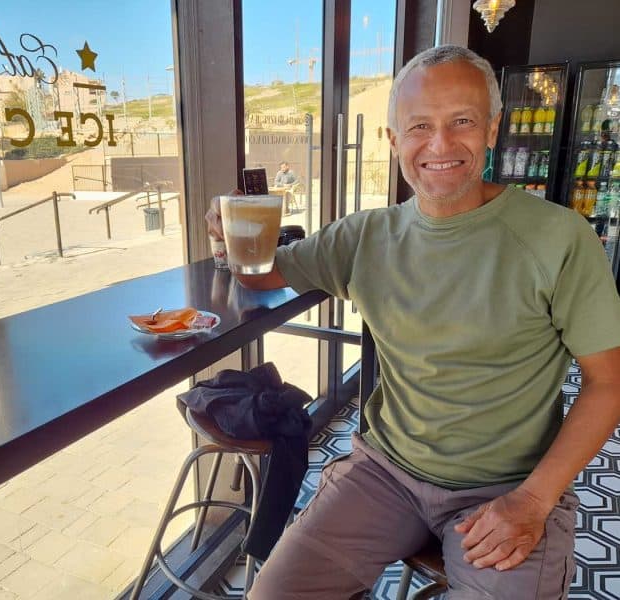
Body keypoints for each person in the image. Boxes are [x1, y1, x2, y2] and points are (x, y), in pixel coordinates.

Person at [205, 45, 620, 600]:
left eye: (462, 121)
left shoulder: (559, 237)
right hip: (385, 472)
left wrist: (533, 500)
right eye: (419, 126)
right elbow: (264, 274)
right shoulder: (365, 236)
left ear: (492, 129)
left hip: (508, 485)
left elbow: (608, 382)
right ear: (393, 140)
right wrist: (229, 230)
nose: (440, 145)